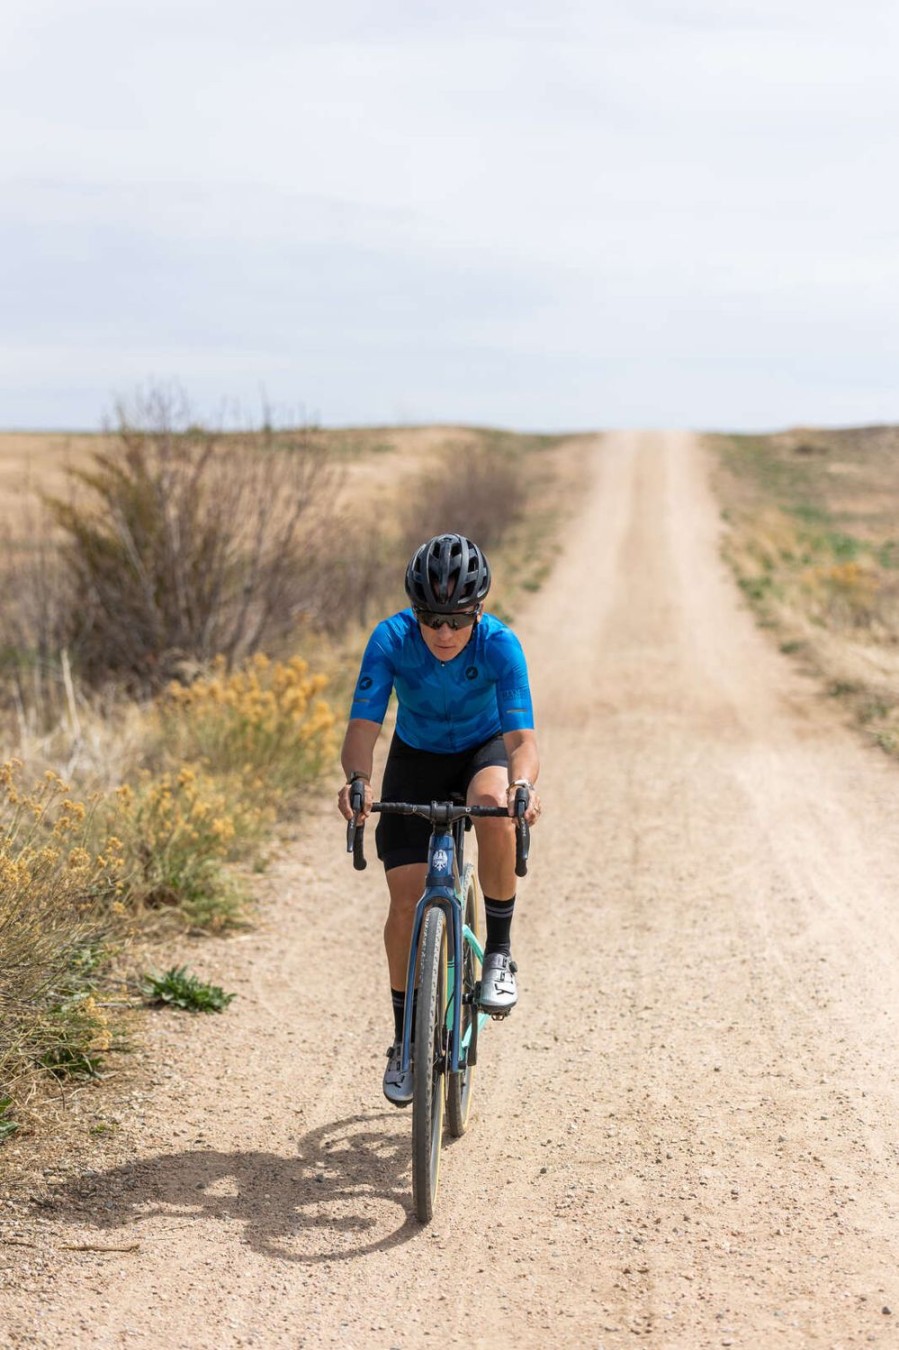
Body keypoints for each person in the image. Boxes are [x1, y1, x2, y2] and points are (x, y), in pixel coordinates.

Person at [337, 532, 542, 1106]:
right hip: (416, 758)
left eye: (457, 620)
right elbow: (362, 729)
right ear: (414, 612)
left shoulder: (500, 645)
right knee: (405, 902)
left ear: (478, 611)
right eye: (431, 619)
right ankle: (405, 1041)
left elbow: (521, 738)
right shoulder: (391, 639)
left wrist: (523, 784)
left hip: (482, 752)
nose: (445, 634)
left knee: (497, 810)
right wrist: (358, 779)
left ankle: (498, 952)